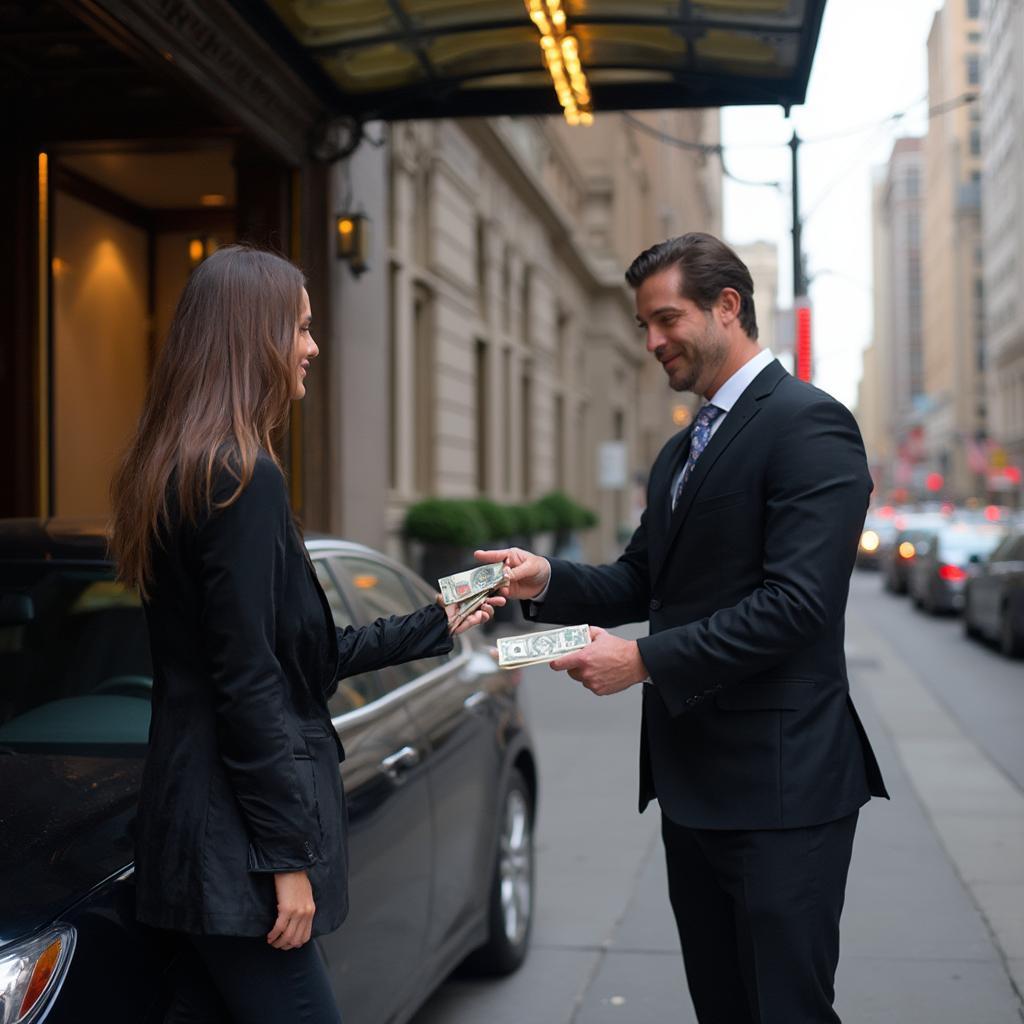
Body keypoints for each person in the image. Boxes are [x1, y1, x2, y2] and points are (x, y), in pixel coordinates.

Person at [477, 232, 888, 1024]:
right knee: (724, 1009)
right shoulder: (679, 450)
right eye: (644, 327)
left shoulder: (810, 424)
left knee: (785, 1011)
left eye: (666, 320)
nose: (653, 342)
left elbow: (798, 604)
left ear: (727, 306)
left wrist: (643, 660)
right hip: (691, 789)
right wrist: (547, 579)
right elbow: (643, 577)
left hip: (781, 791)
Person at [109, 244, 501, 1024]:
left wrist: (436, 619)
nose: (313, 347)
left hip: (195, 829)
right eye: (300, 328)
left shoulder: (171, 467)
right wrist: (287, 860)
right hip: (237, 849)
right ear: (249, 335)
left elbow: (298, 661)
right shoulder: (243, 474)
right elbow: (247, 684)